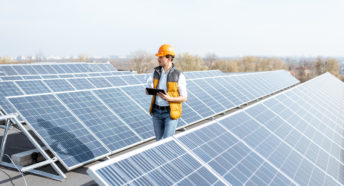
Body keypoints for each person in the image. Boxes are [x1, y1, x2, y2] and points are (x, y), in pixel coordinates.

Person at [146, 44, 187, 141]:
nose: (158, 59)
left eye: (161, 57)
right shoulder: (155, 72)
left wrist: (170, 99)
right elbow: (148, 87)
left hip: (170, 112)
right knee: (158, 142)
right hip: (156, 112)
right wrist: (149, 90)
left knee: (167, 142)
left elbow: (184, 97)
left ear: (169, 58)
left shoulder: (178, 75)